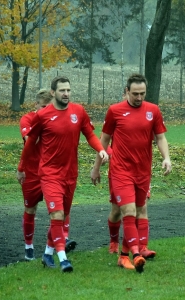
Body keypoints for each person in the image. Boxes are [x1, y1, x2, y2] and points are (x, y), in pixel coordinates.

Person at [16, 76, 108, 272]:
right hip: (49, 174)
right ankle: (63, 258)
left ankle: (47, 253)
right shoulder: (43, 115)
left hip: (70, 173)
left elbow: (89, 134)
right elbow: (30, 144)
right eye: (62, 90)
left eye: (68, 90)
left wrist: (100, 149)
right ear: (53, 93)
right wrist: (21, 168)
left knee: (63, 215)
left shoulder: (78, 111)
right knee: (56, 214)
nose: (66, 94)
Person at [91, 73, 172, 273]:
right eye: (135, 93)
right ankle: (131, 254)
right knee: (126, 211)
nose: (139, 98)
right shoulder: (115, 111)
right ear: (126, 91)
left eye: (142, 93)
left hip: (142, 171)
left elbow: (160, 138)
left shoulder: (153, 110)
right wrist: (96, 167)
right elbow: (104, 141)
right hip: (120, 170)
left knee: (139, 210)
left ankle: (136, 250)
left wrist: (166, 158)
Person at [19, 89, 76, 261]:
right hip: (32, 172)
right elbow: (31, 140)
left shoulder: (57, 117)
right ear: (36, 105)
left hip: (53, 172)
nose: (45, 110)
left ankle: (61, 240)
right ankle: (29, 246)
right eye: (42, 106)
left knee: (60, 210)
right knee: (30, 208)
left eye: (48, 106)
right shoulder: (28, 119)